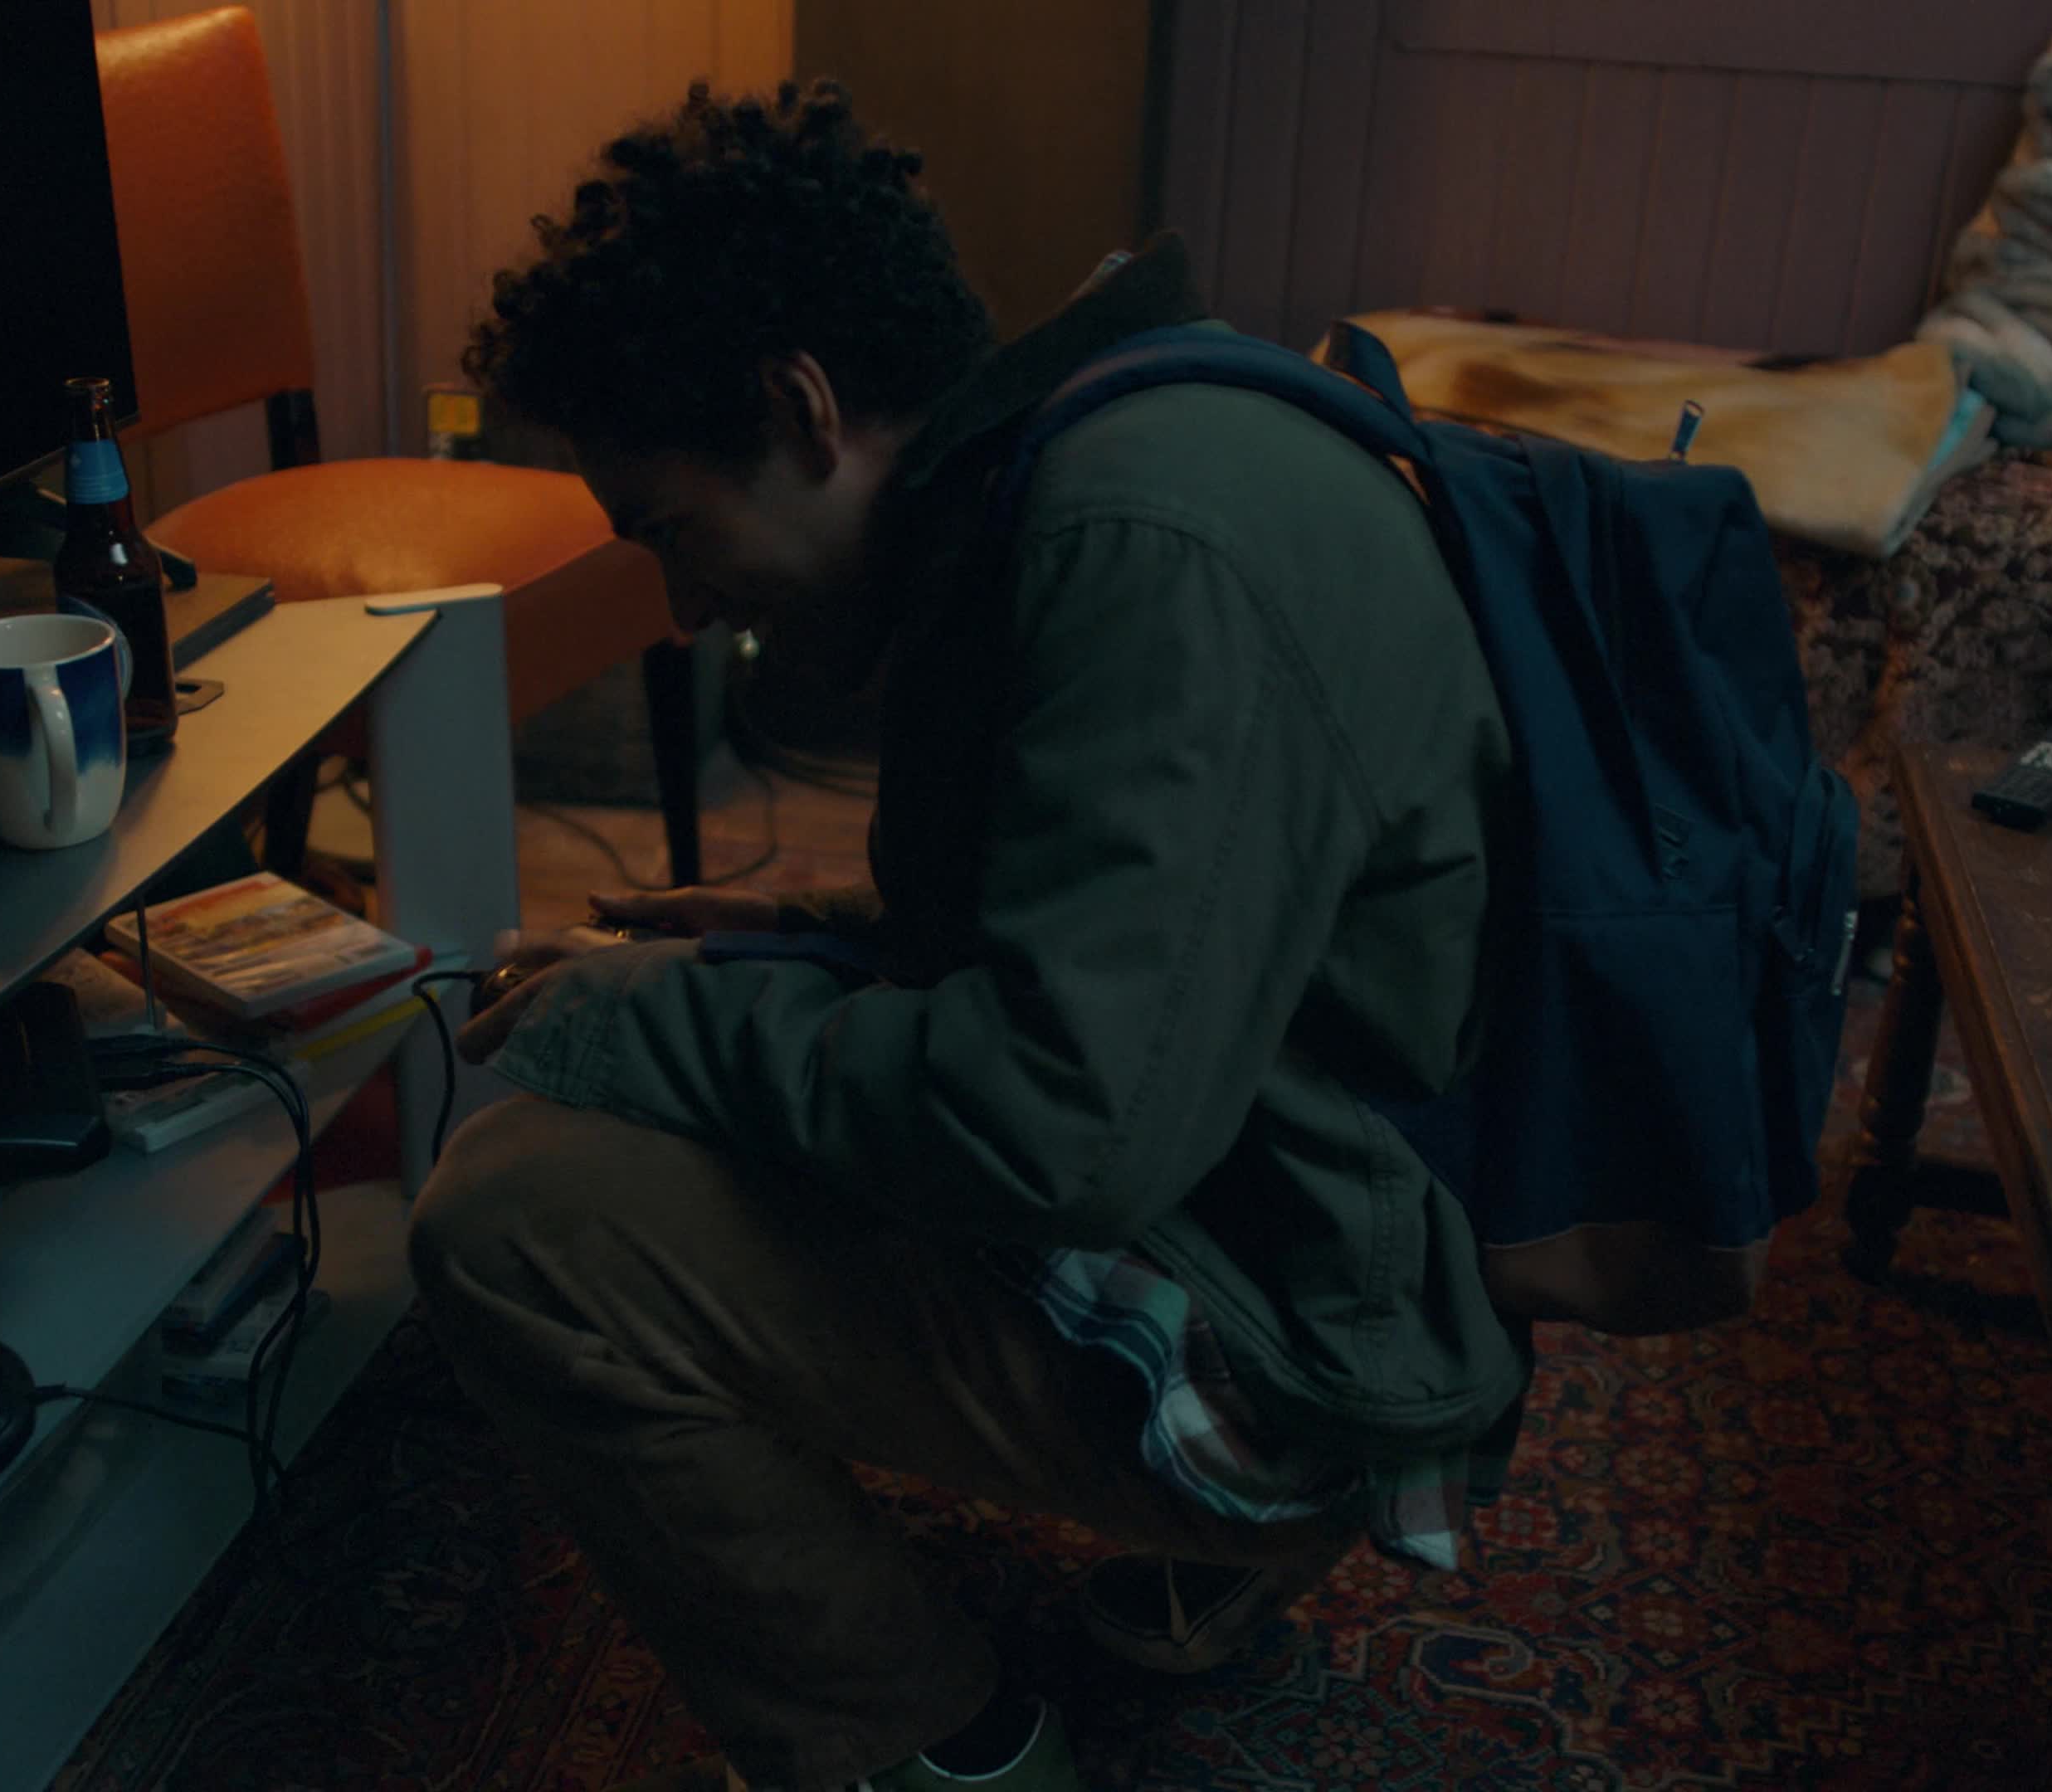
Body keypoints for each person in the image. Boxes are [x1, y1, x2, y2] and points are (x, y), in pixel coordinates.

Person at [411, 80, 1531, 1792]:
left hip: (1325, 1331)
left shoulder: (1140, 544)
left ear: (797, 408)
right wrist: (792, 930)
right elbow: (1164, 917)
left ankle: (936, 1752)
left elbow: (1056, 1129)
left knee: (514, 1219)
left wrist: (643, 1020)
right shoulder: (1126, 437)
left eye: (674, 532)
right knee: (723, 1056)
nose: (685, 610)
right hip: (1344, 1191)